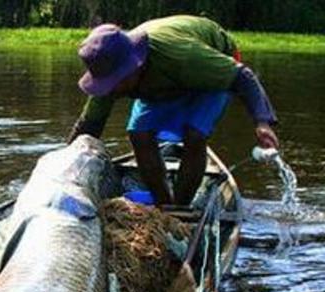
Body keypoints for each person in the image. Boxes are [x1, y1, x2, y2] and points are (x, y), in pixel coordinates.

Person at [68, 15, 280, 205]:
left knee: (194, 134)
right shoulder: (109, 76)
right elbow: (89, 126)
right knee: (138, 134)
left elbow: (242, 76)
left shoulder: (183, 57)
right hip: (161, 81)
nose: (112, 90)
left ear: (135, 67)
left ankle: (181, 209)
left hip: (211, 65)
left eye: (116, 82)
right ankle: (164, 206)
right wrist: (66, 164)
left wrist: (262, 122)